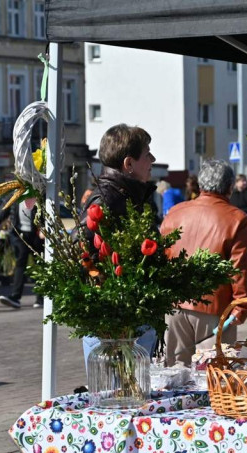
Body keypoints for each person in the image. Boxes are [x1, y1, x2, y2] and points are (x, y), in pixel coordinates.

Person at [160, 160, 247, 367]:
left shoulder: (174, 212)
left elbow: (163, 257)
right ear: (230, 187)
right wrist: (242, 307)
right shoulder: (238, 219)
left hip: (175, 306)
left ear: (201, 185)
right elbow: (238, 268)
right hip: (215, 309)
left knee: (175, 376)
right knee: (213, 378)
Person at [80, 125, 160, 364]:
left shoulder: (131, 196)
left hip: (133, 317)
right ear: (129, 163)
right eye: (147, 153)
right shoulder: (107, 199)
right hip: (113, 326)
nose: (153, 159)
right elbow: (81, 250)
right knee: (116, 396)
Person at [0, 199, 41, 309]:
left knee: (40, 264)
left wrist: (44, 228)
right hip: (19, 234)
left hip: (36, 235)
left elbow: (47, 211)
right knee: (20, 262)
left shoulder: (40, 194)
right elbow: (5, 212)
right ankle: (15, 296)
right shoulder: (15, 195)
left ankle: (40, 297)